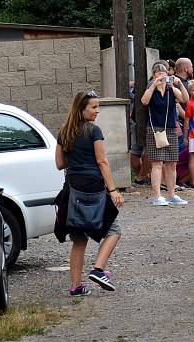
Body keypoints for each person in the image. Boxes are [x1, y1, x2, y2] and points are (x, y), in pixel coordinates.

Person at [55, 91, 123, 296]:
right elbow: (102, 161)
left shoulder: (64, 131)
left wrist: (75, 159)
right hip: (93, 187)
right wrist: (113, 190)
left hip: (72, 189)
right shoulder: (93, 131)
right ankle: (98, 269)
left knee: (79, 239)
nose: (97, 111)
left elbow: (59, 164)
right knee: (114, 230)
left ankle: (76, 286)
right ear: (82, 109)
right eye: (93, 107)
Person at [141, 62, 188, 206]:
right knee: (157, 163)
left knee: (172, 163)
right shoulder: (151, 88)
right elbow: (144, 101)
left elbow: (185, 99)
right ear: (153, 75)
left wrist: (179, 85)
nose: (161, 75)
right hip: (155, 129)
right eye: (158, 73)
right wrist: (154, 85)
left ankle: (172, 194)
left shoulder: (170, 89)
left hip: (170, 128)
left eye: (164, 73)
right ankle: (157, 196)